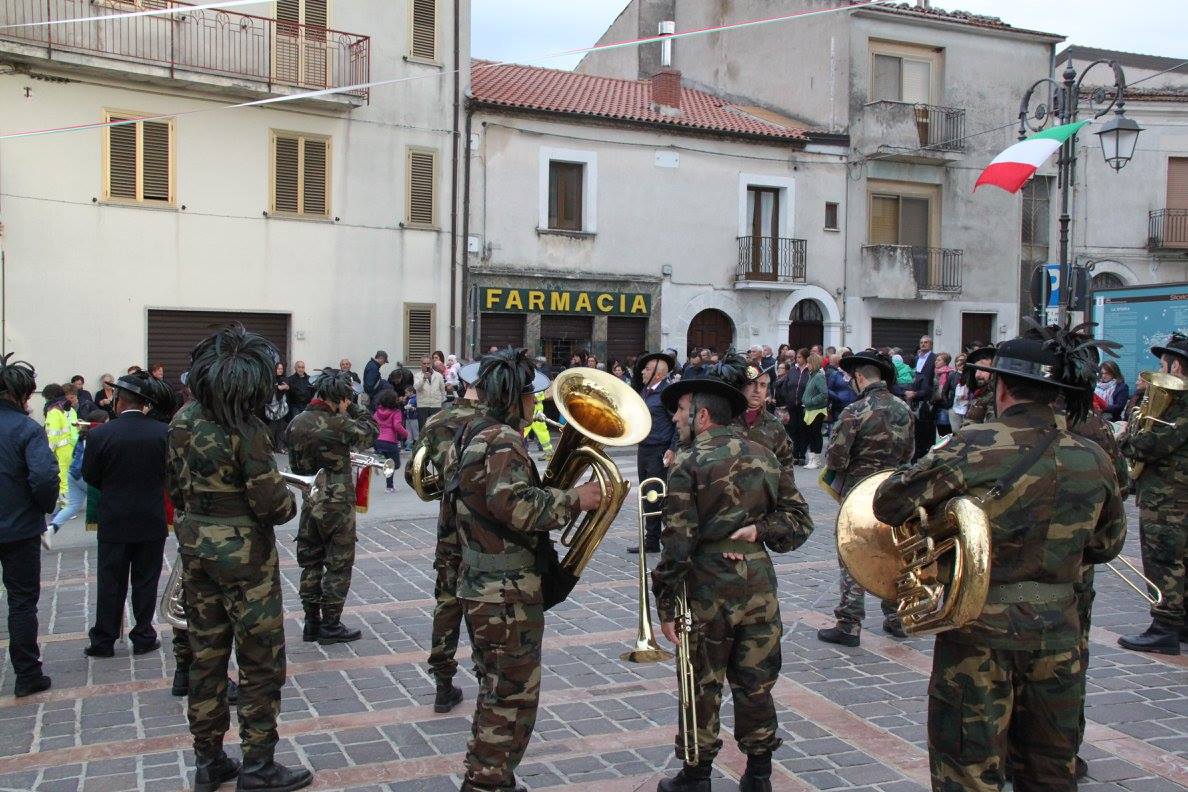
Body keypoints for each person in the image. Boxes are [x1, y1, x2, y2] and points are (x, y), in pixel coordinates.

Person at [871, 326, 1126, 792]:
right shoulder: (1093, 456)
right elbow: (1107, 545)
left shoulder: (974, 442)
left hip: (979, 630)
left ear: (1002, 387)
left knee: (967, 769)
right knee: (1050, 770)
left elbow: (888, 502)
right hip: (1059, 634)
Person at [448, 349, 603, 792]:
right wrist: (578, 499)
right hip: (505, 593)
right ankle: (487, 782)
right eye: (531, 396)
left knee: (497, 687)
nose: (536, 404)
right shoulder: (502, 440)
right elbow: (513, 506)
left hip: (484, 584)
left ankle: (489, 776)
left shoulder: (471, 432)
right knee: (512, 695)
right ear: (513, 397)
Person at [652, 372, 813, 792]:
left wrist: (664, 601)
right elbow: (800, 522)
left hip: (706, 586)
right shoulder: (765, 455)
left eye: (682, 410)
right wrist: (759, 531)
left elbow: (677, 542)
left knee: (701, 681)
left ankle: (696, 776)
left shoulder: (688, 461)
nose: (677, 418)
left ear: (703, 416)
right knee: (756, 682)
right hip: (758, 585)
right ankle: (759, 776)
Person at [167, 326, 309, 792]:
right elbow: (273, 507)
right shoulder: (247, 430)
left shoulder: (182, 420)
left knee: (205, 658)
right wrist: (290, 501)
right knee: (260, 660)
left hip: (195, 551)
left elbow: (174, 490)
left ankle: (208, 761)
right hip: (246, 560)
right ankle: (258, 764)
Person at [817, 350, 914, 647]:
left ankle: (849, 623)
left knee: (853, 551)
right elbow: (910, 454)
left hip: (859, 493)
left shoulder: (854, 411)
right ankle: (897, 617)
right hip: (893, 490)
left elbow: (836, 458)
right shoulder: (904, 408)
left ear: (859, 378)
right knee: (894, 550)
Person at [405, 363, 483, 714]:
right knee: (485, 602)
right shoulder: (496, 422)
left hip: (450, 524)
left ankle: (443, 684)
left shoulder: (437, 420)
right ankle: (487, 677)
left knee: (447, 601)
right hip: (486, 529)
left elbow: (414, 475)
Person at [81, 372, 173, 658]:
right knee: (146, 580)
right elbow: (170, 474)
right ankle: (143, 634)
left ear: (119, 401)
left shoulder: (100, 434)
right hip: (150, 516)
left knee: (110, 580)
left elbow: (90, 475)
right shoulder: (163, 432)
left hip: (115, 517)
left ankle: (104, 639)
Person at [286, 370, 379, 645]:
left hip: (310, 496)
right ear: (339, 399)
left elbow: (294, 463)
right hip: (337, 501)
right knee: (338, 563)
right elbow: (371, 432)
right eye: (345, 399)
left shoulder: (297, 422)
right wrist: (356, 408)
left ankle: (311, 622)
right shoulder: (340, 423)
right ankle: (331, 624)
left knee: (311, 562)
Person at [1117, 332, 1188, 655]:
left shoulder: (1180, 407)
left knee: (1163, 560)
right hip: (1174, 497)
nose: (1161, 371)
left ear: (1176, 367)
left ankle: (1164, 627)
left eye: (1163, 365)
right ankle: (1181, 624)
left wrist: (1126, 437)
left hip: (1168, 500)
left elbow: (1149, 445)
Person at [0, 353, 58, 697]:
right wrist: (42, 509)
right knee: (21, 602)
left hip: (18, 523)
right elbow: (44, 477)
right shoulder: (26, 429)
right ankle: (27, 673)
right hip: (19, 528)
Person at [631, 350, 677, 554]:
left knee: (655, 495)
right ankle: (651, 540)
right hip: (644, 448)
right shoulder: (646, 391)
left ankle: (664, 539)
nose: (642, 372)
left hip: (659, 450)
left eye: (647, 369)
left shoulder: (667, 394)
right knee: (646, 494)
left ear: (658, 374)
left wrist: (672, 448)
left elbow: (677, 423)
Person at [45, 410, 108, 549]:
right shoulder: (95, 438)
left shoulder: (84, 436)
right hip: (84, 475)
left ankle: (51, 529)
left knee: (72, 506)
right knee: (105, 502)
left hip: (73, 474)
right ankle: (107, 534)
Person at [43, 383, 78, 501]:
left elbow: (52, 434)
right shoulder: (67, 409)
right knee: (67, 476)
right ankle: (68, 501)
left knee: (62, 478)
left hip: (60, 449)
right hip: (69, 446)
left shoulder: (53, 411)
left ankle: (66, 503)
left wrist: (48, 452)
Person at [373, 390, 409, 492]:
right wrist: (406, 434)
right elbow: (397, 426)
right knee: (395, 465)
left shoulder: (377, 412)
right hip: (390, 441)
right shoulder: (396, 412)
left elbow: (373, 423)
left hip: (378, 441)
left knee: (389, 464)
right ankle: (389, 484)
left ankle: (380, 463)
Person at [801, 353, 828, 469]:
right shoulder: (812, 375)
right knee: (810, 434)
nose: (807, 365)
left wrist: (811, 401)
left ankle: (816, 460)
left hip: (817, 410)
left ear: (814, 363)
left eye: (809, 363)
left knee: (816, 434)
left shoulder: (819, 376)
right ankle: (812, 459)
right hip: (809, 410)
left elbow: (824, 393)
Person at [415, 355, 447, 428]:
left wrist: (439, 401)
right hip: (422, 405)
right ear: (421, 364)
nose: (427, 365)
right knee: (423, 428)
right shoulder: (417, 375)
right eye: (424, 363)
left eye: (428, 363)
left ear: (431, 364)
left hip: (436, 405)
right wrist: (423, 379)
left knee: (435, 428)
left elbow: (442, 390)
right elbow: (416, 387)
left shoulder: (438, 375)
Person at [266, 362, 290, 452]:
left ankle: (279, 447)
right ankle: (270, 447)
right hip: (272, 407)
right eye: (278, 369)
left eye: (281, 369)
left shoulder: (284, 378)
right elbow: (278, 388)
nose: (280, 370)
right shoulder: (271, 379)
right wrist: (279, 387)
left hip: (281, 408)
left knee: (280, 427)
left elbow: (287, 387)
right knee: (272, 426)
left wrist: (279, 387)